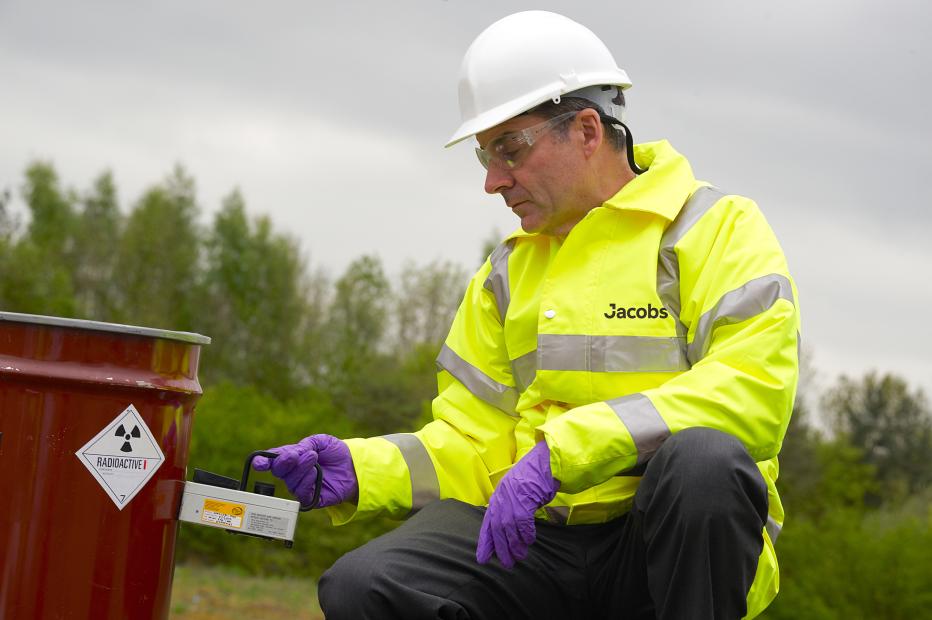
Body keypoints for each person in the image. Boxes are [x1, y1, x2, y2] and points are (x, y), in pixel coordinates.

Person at [255, 10, 800, 619]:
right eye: (484, 155)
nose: (493, 181)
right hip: (540, 545)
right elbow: (475, 447)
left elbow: (755, 391)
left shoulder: (716, 230)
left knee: (704, 464)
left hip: (661, 553)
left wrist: (559, 453)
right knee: (366, 584)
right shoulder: (506, 276)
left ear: (588, 130)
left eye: (510, 149)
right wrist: (360, 469)